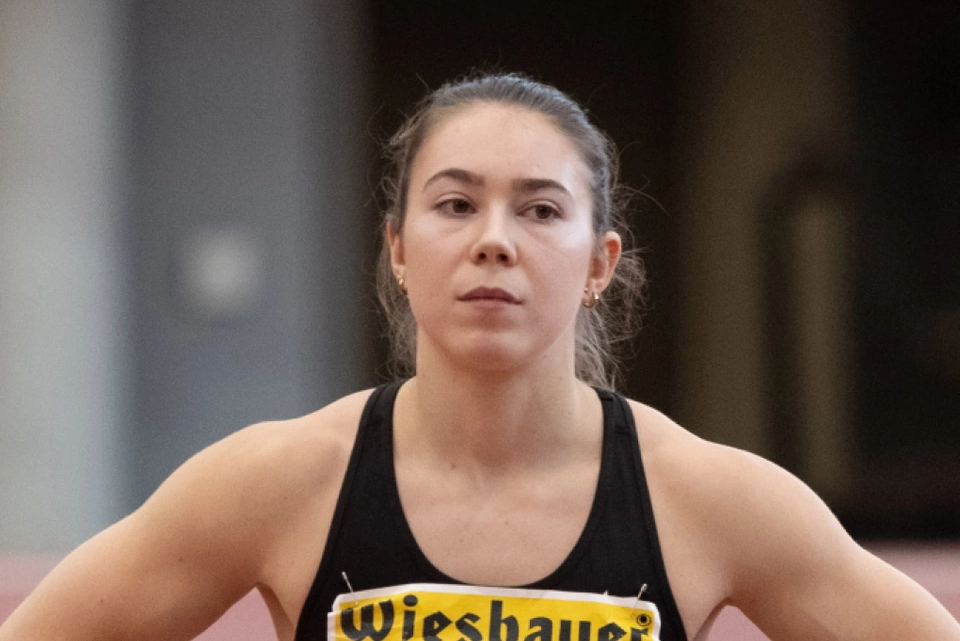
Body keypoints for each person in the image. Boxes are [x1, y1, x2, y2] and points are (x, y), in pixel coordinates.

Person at [1, 73, 957, 641]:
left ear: (599, 262)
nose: (494, 241)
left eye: (540, 209)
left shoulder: (710, 500)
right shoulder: (279, 482)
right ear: (399, 248)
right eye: (456, 204)